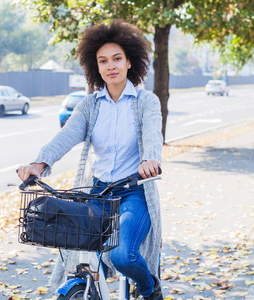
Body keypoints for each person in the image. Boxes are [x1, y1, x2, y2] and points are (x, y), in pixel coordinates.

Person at [17, 20, 163, 300]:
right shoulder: (90, 106)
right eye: (103, 61)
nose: (111, 66)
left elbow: (153, 135)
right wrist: (39, 163)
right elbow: (67, 135)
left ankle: (148, 287)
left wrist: (151, 160)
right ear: (96, 67)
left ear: (130, 61)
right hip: (98, 194)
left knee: (123, 256)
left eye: (117, 59)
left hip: (133, 193)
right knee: (80, 253)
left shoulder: (146, 102)